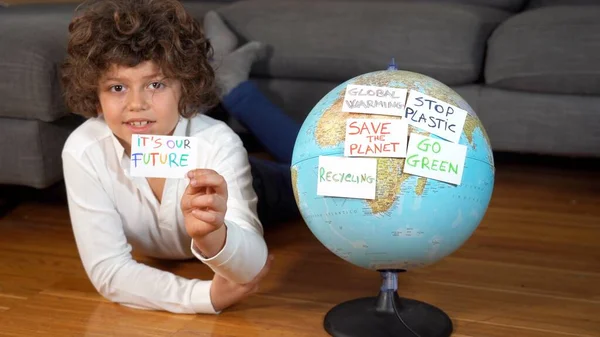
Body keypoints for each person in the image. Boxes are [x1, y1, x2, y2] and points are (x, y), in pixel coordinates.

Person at [60, 0, 298, 315]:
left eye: (155, 84)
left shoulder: (217, 142)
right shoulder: (82, 150)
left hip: (258, 183)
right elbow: (109, 270)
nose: (136, 104)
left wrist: (214, 231)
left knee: (315, 173)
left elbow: (250, 266)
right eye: (117, 87)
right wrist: (203, 296)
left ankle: (234, 86)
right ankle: (231, 80)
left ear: (183, 86)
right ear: (95, 94)